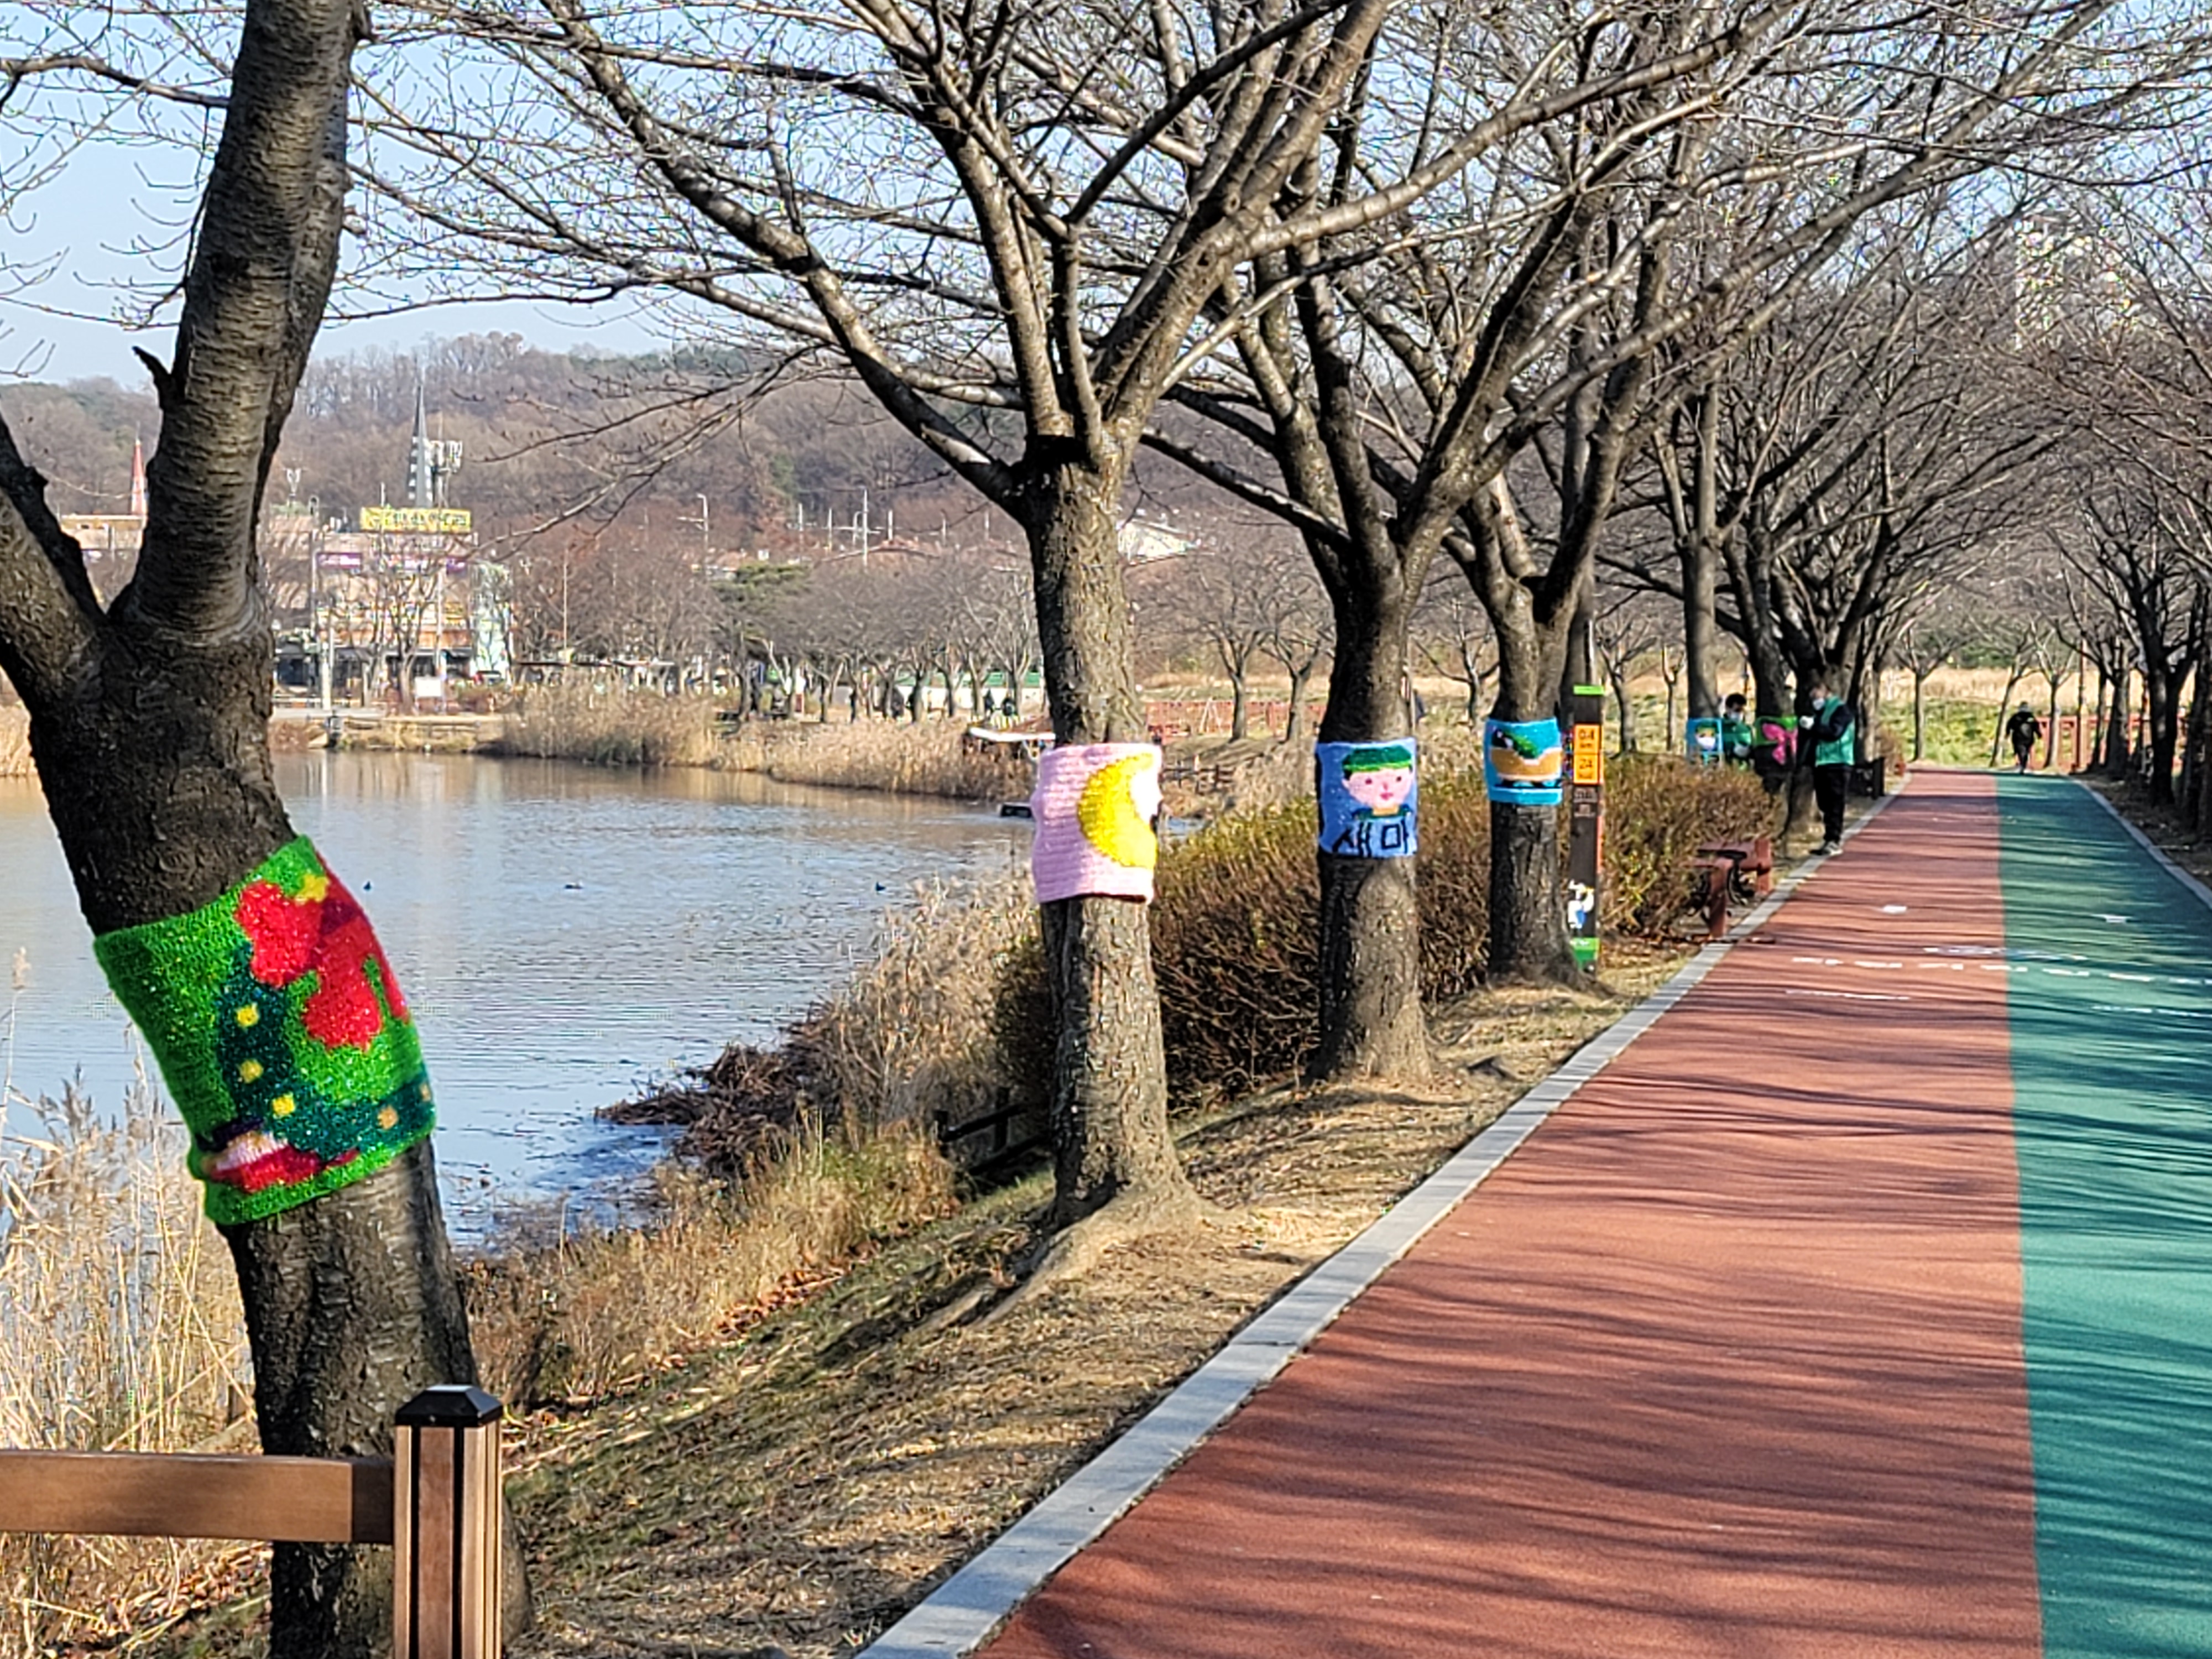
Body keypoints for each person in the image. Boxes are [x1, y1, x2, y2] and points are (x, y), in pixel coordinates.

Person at [1800, 680, 1855, 855]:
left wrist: (1814, 726)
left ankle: (1834, 840)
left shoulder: (1841, 710)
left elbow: (1834, 732)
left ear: (1826, 691)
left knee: (1835, 803)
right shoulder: (1822, 712)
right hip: (1822, 762)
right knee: (1824, 803)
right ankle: (1828, 839)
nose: (1814, 700)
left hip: (1838, 762)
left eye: (1815, 695)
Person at [2005, 702, 2043, 773]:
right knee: (2025, 752)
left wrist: (2008, 733)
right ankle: (2023, 765)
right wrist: (2039, 734)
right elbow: (2036, 726)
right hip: (2027, 738)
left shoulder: (2016, 717)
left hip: (2019, 738)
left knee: (2022, 752)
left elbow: (2009, 725)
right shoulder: (2031, 717)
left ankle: (2023, 765)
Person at [1720, 693, 1757, 765]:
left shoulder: (1747, 729)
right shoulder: (1720, 727)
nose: (1740, 714)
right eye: (1737, 710)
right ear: (1727, 708)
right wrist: (1732, 751)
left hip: (1744, 768)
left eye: (1743, 711)